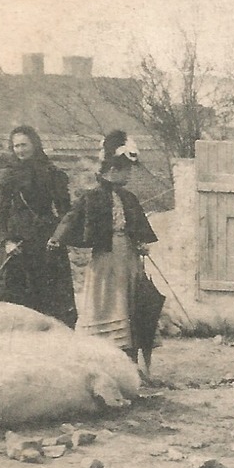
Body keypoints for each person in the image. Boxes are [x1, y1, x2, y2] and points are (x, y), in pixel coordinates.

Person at [56, 130, 158, 378]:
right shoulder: (93, 197)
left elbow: (135, 225)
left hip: (128, 258)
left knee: (130, 304)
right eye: (125, 170)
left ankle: (131, 360)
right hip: (106, 258)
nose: (128, 175)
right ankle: (101, 360)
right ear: (112, 170)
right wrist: (56, 238)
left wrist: (141, 242)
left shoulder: (128, 198)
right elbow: (72, 219)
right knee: (107, 304)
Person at [0, 125, 76, 327]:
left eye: (24, 145)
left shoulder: (53, 173)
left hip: (47, 242)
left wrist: (59, 236)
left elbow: (66, 212)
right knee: (14, 300)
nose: (20, 150)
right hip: (19, 244)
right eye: (16, 146)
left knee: (52, 301)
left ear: (35, 144)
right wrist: (7, 241)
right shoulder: (9, 174)